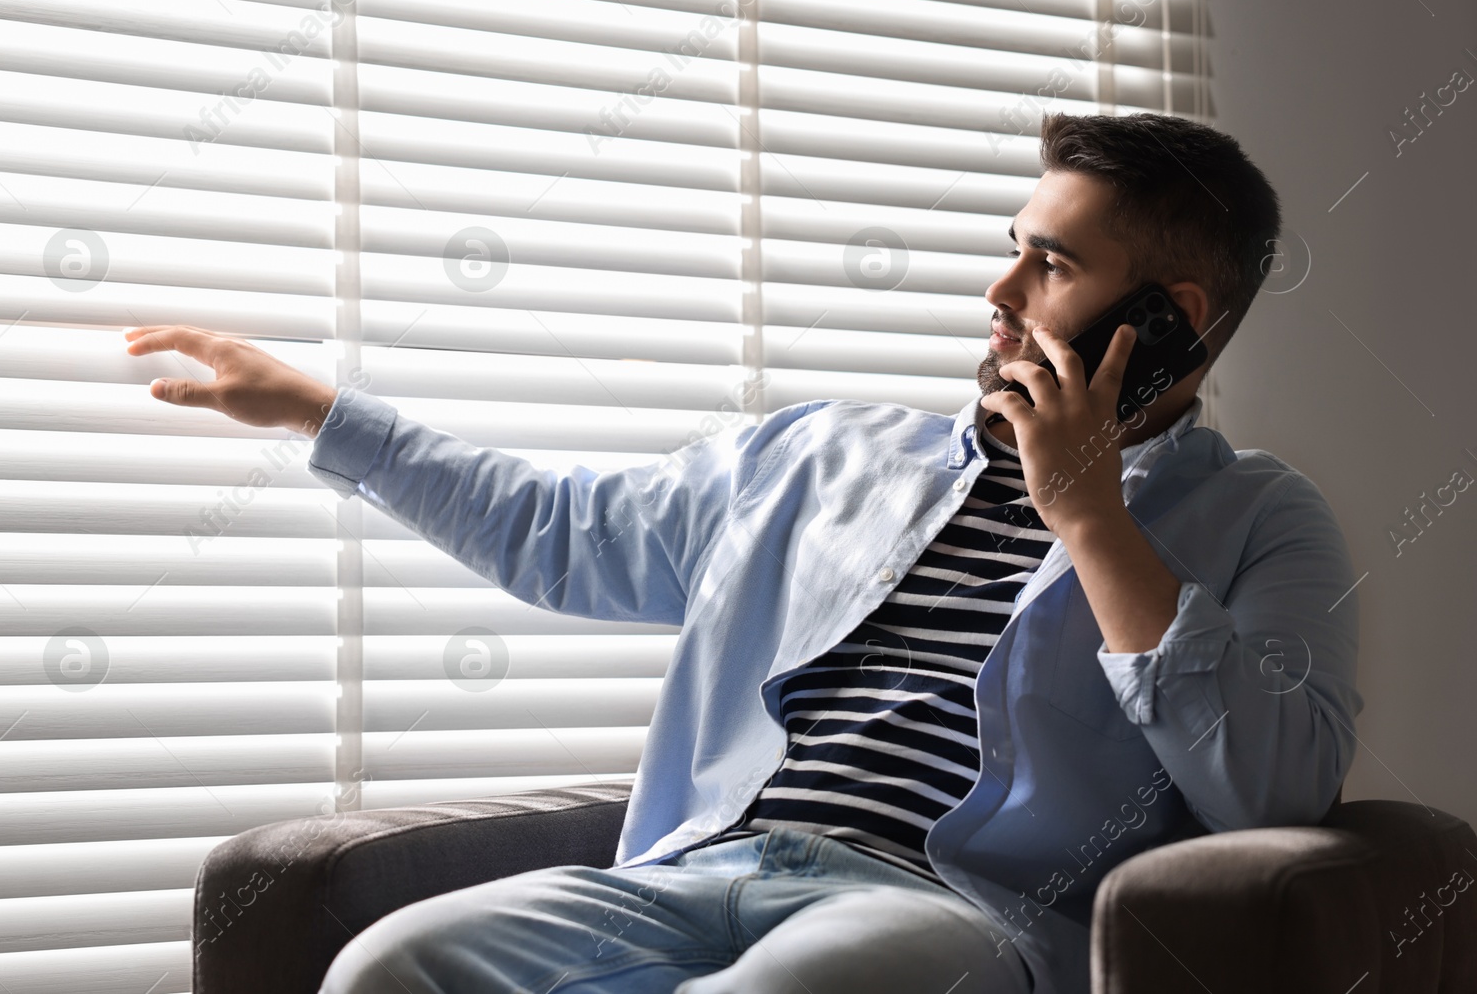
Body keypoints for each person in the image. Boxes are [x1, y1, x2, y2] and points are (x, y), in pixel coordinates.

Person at [124, 112, 1364, 994]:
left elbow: (1275, 789)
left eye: (1050, 262)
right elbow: (558, 531)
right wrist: (318, 412)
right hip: (695, 864)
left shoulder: (1262, 516)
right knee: (388, 964)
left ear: (1170, 320)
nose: (999, 286)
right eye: (1014, 242)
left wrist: (1090, 516)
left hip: (948, 913)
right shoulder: (823, 457)